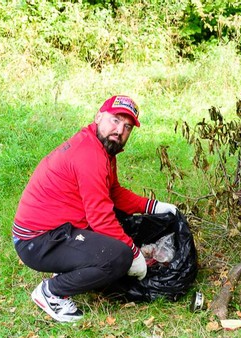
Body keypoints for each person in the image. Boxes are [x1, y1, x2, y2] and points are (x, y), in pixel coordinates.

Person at [12, 95, 177, 322]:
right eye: (115, 120)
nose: (119, 130)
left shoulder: (102, 147)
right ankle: (51, 292)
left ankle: (71, 265)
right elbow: (100, 218)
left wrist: (153, 206)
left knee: (118, 228)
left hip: (57, 230)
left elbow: (113, 193)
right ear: (99, 117)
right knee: (118, 257)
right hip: (36, 241)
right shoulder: (90, 155)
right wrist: (134, 253)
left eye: (127, 126)